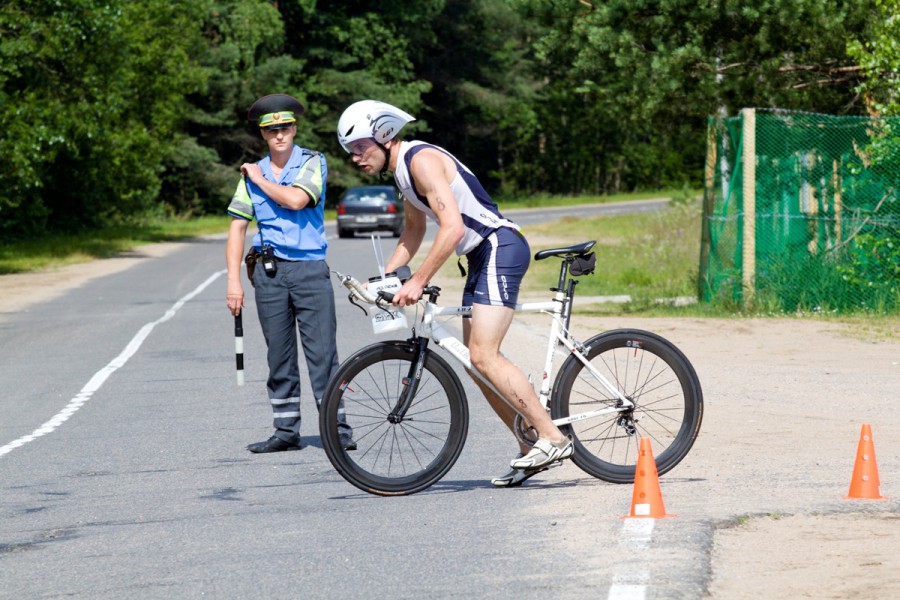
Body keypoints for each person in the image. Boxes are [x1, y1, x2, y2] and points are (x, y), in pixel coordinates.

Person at [336, 100, 572, 486]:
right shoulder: (403, 175)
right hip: (480, 257)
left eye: (360, 147)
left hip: (498, 246)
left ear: (383, 135)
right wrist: (383, 281)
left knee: (483, 353)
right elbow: (413, 233)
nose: (355, 157)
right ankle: (529, 447)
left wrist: (417, 281)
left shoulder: (421, 160)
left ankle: (551, 436)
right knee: (471, 360)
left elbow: (452, 228)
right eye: (350, 152)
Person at [226, 93, 353, 453]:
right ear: (263, 135)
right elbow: (237, 228)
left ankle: (336, 428)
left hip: (310, 270)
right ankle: (285, 431)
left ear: (294, 129)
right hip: (269, 274)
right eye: (271, 130)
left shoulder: (313, 162)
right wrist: (233, 280)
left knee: (322, 355)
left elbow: (296, 200)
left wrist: (257, 177)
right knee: (278, 356)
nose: (279, 135)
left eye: (284, 128)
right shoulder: (250, 174)